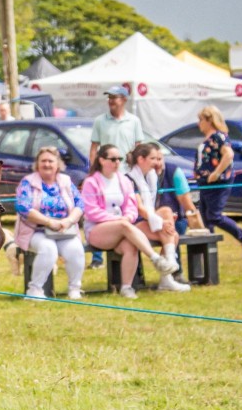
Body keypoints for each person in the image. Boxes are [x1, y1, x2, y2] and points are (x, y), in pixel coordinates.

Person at [81, 144, 179, 299]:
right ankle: (155, 258)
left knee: (130, 245)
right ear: (101, 160)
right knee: (123, 225)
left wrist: (127, 217)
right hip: (97, 229)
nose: (117, 162)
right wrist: (118, 219)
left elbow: (131, 207)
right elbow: (91, 211)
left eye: (119, 159)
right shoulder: (91, 182)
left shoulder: (123, 180)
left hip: (123, 227)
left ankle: (126, 287)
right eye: (113, 159)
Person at [13, 147, 86, 300]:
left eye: (50, 161)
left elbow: (80, 204)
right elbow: (22, 207)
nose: (47, 164)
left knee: (76, 250)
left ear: (58, 164)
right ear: (37, 164)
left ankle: (75, 289)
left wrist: (69, 221)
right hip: (35, 231)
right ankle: (35, 290)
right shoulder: (28, 182)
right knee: (48, 249)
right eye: (43, 161)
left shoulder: (66, 181)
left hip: (64, 230)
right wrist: (48, 222)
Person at [87, 85, 146, 269]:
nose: (111, 101)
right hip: (105, 172)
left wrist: (136, 166)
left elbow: (139, 147)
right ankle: (97, 257)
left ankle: (132, 251)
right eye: (109, 97)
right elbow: (94, 148)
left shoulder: (134, 121)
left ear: (124, 100)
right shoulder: (100, 121)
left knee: (130, 210)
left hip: (126, 173)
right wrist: (94, 169)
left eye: (115, 97)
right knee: (100, 210)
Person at [124, 143, 190, 292]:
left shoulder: (151, 177)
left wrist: (164, 220)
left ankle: (169, 268)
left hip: (147, 219)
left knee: (167, 213)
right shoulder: (130, 179)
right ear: (141, 159)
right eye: (153, 158)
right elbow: (140, 209)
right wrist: (161, 222)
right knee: (172, 234)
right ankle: (169, 270)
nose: (156, 162)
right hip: (132, 223)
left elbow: (152, 209)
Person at [195, 105, 242, 258]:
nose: (198, 123)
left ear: (210, 120)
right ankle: (209, 254)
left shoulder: (218, 137)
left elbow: (228, 155)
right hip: (206, 184)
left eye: (201, 120)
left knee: (214, 216)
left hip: (217, 184)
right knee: (206, 218)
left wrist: (216, 173)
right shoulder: (209, 138)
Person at [152, 147, 207, 235]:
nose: (158, 164)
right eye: (153, 159)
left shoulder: (174, 172)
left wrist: (200, 230)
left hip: (175, 221)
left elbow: (188, 205)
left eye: (159, 159)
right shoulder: (139, 174)